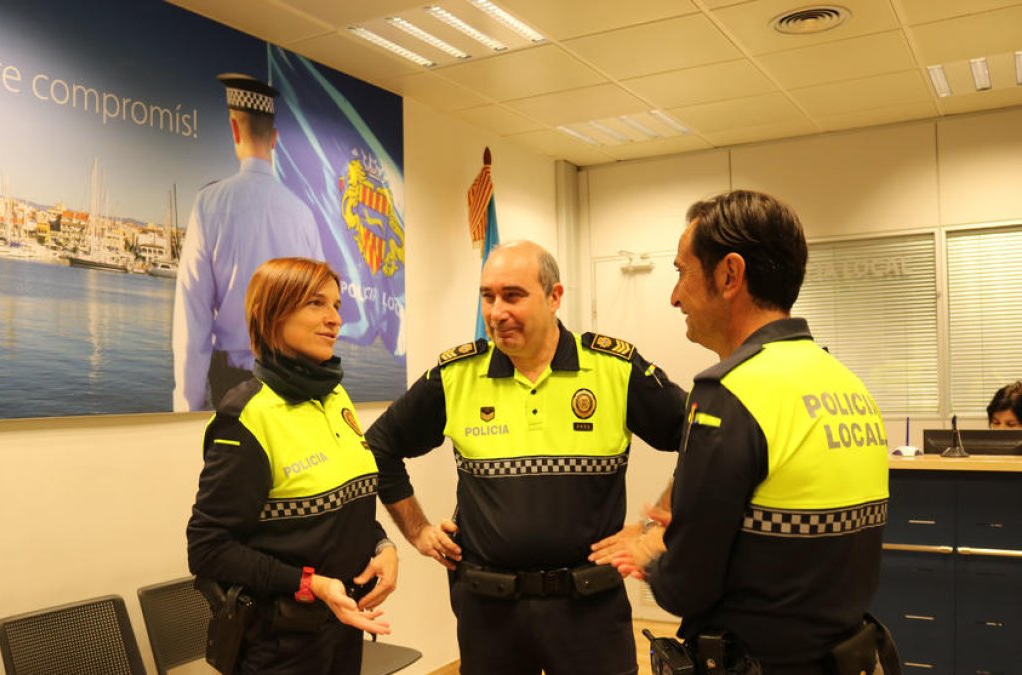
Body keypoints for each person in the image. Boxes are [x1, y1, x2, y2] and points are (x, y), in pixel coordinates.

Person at [366, 240, 687, 675]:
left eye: (512, 296)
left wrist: (654, 527)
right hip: (489, 613)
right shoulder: (457, 375)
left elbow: (702, 440)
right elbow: (379, 446)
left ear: (555, 297)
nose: (497, 312)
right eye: (488, 296)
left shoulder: (614, 368)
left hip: (589, 610)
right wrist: (418, 529)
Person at [618, 190, 893, 674]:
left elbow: (686, 588)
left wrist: (653, 551)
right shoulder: (845, 383)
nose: (675, 296)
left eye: (681, 271)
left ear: (729, 275)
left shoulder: (730, 395)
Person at [187, 257, 397, 675]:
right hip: (280, 645)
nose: (334, 319)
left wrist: (382, 547)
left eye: (337, 306)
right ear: (273, 312)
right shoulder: (245, 417)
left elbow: (346, 505)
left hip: (343, 628)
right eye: (316, 304)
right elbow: (208, 547)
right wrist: (309, 583)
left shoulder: (336, 399)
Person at [173, 73, 323, 412]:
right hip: (293, 389)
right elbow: (318, 311)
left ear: (235, 130)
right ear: (274, 139)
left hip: (232, 390)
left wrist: (187, 408)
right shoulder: (303, 215)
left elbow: (192, 319)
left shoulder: (209, 205)